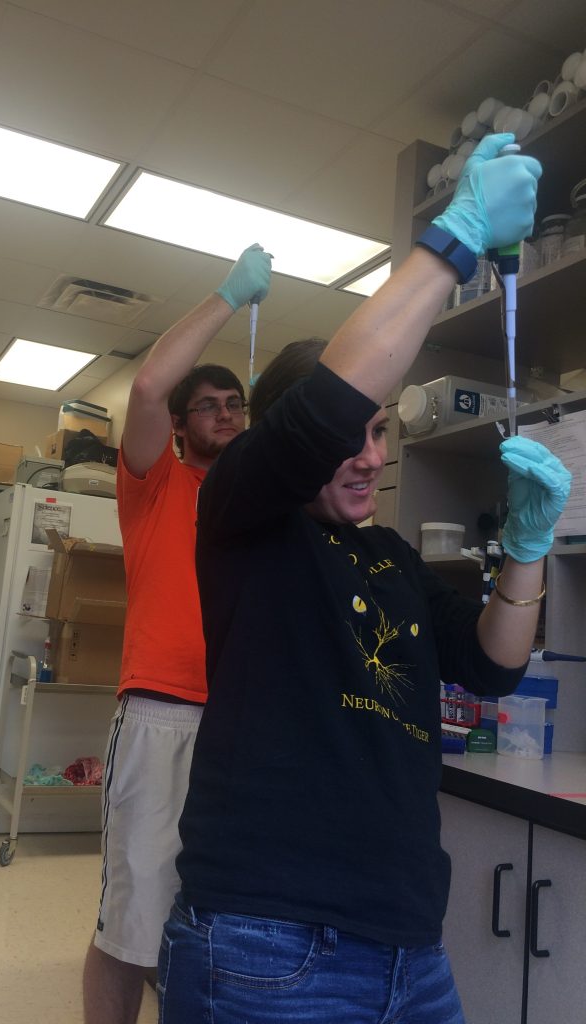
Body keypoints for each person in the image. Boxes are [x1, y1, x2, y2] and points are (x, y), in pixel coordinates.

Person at [158, 133, 572, 1023]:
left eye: (382, 434)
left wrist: (531, 549)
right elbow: (326, 413)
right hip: (266, 944)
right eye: (354, 435)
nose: (368, 456)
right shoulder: (243, 514)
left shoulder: (389, 558)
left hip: (410, 952)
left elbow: (494, 663)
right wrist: (455, 236)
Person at [82, 244, 272, 1023]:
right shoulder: (155, 480)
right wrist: (229, 295)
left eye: (237, 403)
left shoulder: (259, 502)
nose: (227, 413)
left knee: (214, 918)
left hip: (241, 724)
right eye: (211, 405)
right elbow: (152, 383)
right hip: (162, 714)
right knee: (132, 924)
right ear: (182, 426)